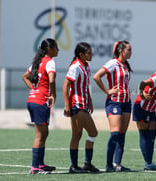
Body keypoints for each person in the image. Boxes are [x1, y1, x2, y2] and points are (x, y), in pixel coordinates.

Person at [93, 40, 132, 172]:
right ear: (121, 51)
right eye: (128, 50)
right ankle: (109, 164)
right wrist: (107, 91)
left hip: (126, 102)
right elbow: (96, 77)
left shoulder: (125, 65)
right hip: (115, 102)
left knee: (122, 134)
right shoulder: (113, 63)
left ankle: (117, 164)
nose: (131, 52)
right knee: (115, 133)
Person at [22, 38, 59, 174]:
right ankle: (35, 168)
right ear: (49, 49)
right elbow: (52, 79)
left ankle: (40, 164)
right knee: (40, 135)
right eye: (56, 47)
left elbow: (25, 77)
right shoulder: (49, 62)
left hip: (33, 100)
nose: (58, 50)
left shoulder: (37, 62)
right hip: (40, 101)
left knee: (44, 133)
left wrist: (34, 90)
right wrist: (53, 95)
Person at [63, 42, 99, 173]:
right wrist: (67, 105)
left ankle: (78, 165)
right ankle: (82, 165)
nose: (91, 55)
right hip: (77, 105)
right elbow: (65, 86)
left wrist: (89, 100)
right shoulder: (75, 66)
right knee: (92, 133)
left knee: (78, 135)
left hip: (83, 104)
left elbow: (85, 86)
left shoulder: (86, 65)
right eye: (88, 53)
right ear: (81, 54)